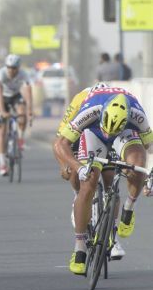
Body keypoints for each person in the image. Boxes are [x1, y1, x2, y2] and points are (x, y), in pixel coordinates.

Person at [55, 87, 152, 275]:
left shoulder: (137, 113)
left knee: (137, 164)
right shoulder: (90, 108)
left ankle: (128, 209)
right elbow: (61, 143)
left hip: (124, 135)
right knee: (88, 182)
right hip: (94, 133)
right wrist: (78, 167)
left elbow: (149, 146)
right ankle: (80, 247)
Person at [51, 82, 126, 260]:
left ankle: (112, 237)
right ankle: (78, 197)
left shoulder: (117, 101)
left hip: (106, 131)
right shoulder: (79, 100)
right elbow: (60, 140)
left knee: (110, 180)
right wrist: (64, 165)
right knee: (76, 174)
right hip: (79, 132)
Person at [0, 54, 33, 176]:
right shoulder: (1, 74)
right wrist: (2, 111)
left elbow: (28, 91)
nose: (12, 70)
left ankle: (20, 138)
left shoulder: (23, 74)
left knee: (22, 113)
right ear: (6, 67)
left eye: (14, 68)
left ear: (18, 68)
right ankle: (2, 165)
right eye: (9, 67)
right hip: (3, 98)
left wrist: (30, 111)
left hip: (16, 96)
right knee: (1, 131)